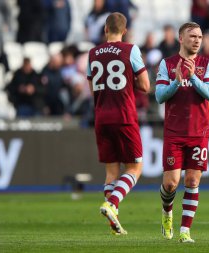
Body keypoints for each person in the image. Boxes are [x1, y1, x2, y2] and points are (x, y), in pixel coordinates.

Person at [86, 12, 150, 235]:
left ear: (105, 29)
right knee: (135, 168)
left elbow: (92, 87)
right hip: (123, 115)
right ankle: (111, 204)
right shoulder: (130, 49)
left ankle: (114, 223)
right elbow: (145, 85)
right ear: (124, 31)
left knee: (111, 171)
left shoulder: (92, 53)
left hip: (101, 117)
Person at [155, 22, 209, 243]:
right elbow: (160, 96)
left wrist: (192, 77)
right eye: (192, 36)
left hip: (199, 132)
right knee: (171, 183)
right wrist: (176, 81)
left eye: (200, 36)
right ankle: (166, 212)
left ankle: (185, 231)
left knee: (192, 181)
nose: (197, 40)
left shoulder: (206, 64)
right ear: (181, 39)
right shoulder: (167, 64)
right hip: (174, 131)